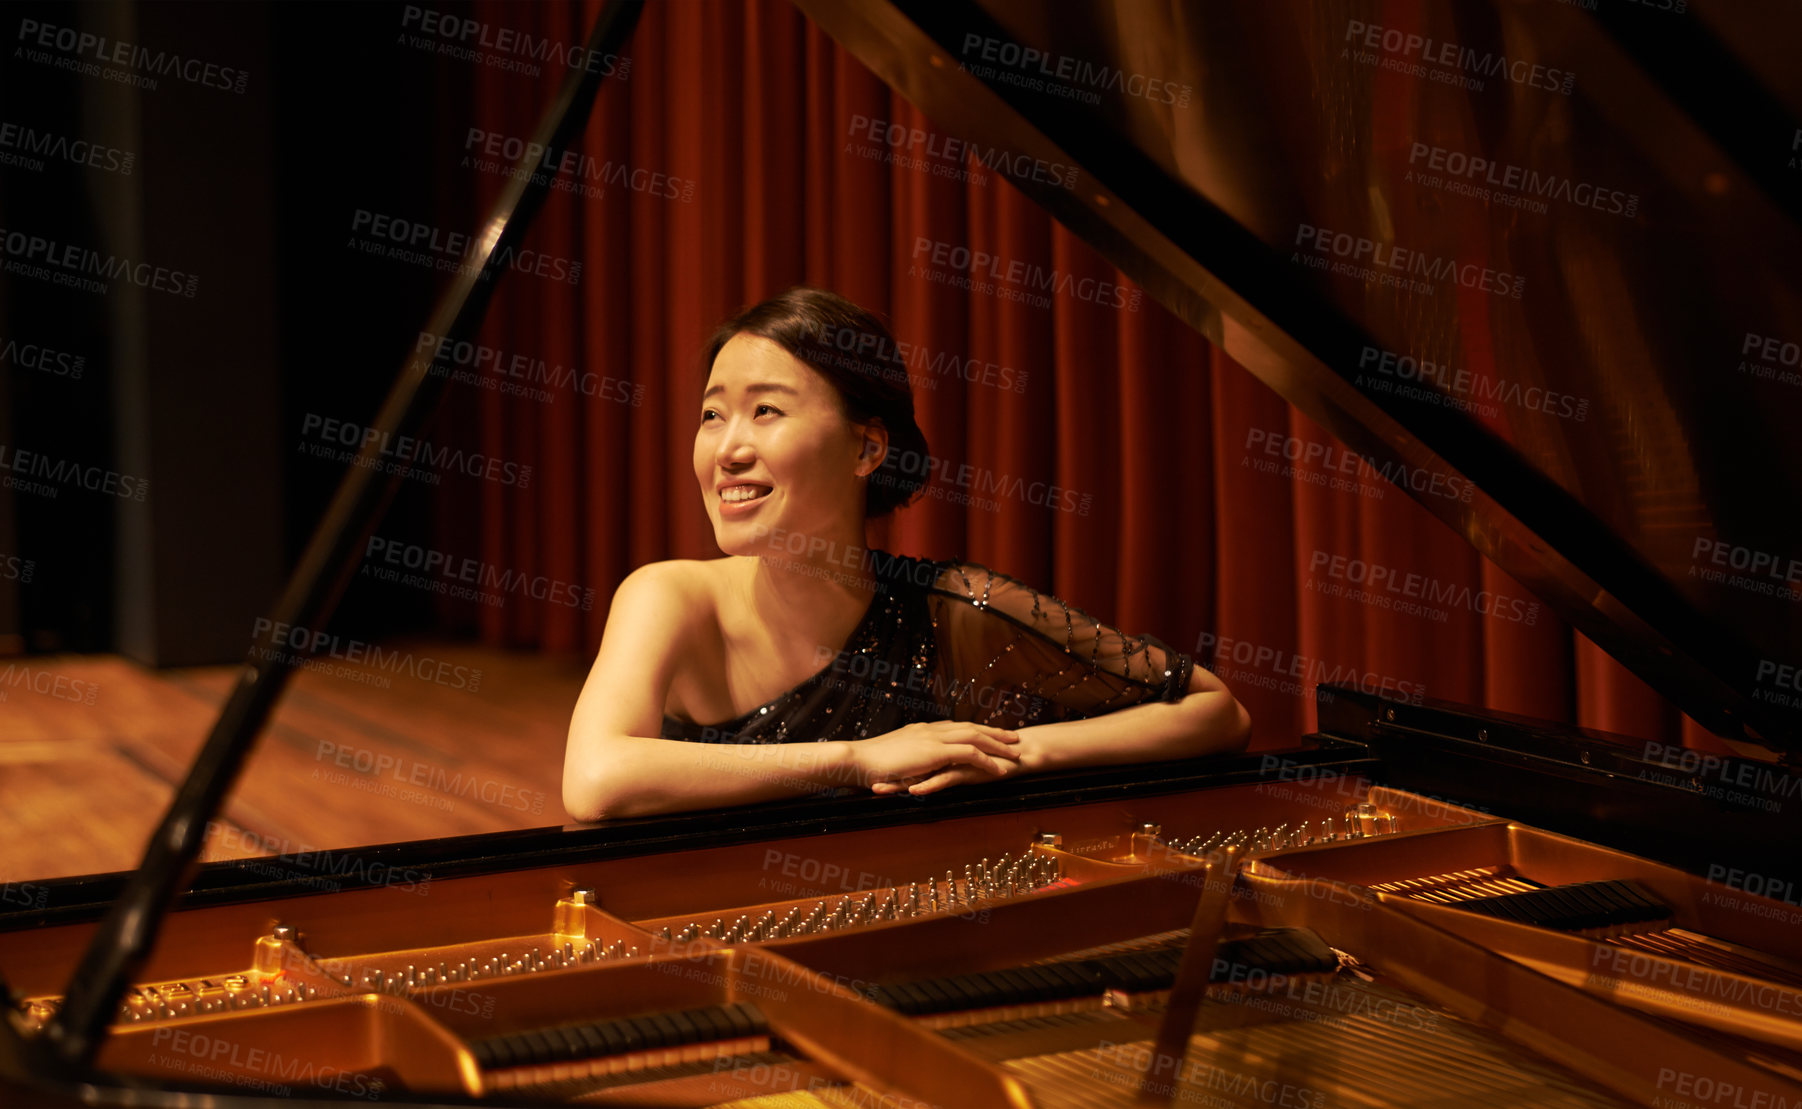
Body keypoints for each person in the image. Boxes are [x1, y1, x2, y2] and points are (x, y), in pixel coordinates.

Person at [562, 288, 1249, 822]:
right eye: (713, 414)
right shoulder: (667, 597)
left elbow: (1216, 711)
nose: (728, 448)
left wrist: (1019, 752)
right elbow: (594, 779)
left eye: (766, 410)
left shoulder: (952, 609)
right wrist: (857, 760)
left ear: (867, 447)